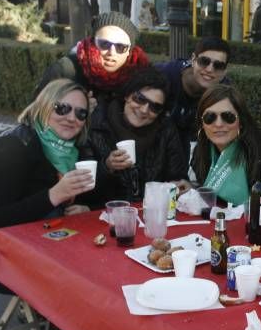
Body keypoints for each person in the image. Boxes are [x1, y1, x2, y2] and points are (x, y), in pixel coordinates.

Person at [0, 79, 96, 330]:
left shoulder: (67, 151)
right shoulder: (11, 145)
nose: (71, 118)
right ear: (44, 106)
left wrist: (77, 206)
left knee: (87, 260)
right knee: (68, 278)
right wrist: (55, 195)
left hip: (19, 235)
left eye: (80, 113)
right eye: (62, 108)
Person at [192, 85, 261, 222]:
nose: (218, 124)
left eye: (228, 117)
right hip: (227, 226)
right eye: (210, 117)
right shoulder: (200, 154)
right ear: (202, 123)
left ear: (240, 120)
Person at [85, 67, 190, 202]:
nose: (145, 110)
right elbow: (84, 192)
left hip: (153, 212)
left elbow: (178, 178)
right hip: (109, 214)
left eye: (155, 107)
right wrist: (107, 167)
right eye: (139, 99)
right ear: (127, 95)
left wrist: (182, 187)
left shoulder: (166, 130)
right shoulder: (98, 124)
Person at [33, 11, 150, 110]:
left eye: (120, 47)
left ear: (129, 51)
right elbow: (35, 110)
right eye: (104, 44)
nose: (111, 52)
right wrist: (70, 109)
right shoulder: (66, 70)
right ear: (93, 42)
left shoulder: (139, 78)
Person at [156, 36, 232, 160]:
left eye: (218, 65)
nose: (209, 69)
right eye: (204, 61)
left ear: (224, 71)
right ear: (193, 59)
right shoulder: (165, 75)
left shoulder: (224, 92)